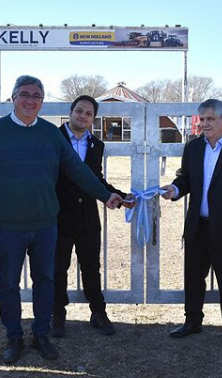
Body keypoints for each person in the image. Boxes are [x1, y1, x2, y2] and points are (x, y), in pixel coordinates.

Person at [0, 75, 124, 365]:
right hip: (7, 227)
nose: (30, 100)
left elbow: (78, 171)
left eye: (37, 96)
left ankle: (41, 335)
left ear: (43, 101)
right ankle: (14, 337)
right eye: (25, 94)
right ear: (13, 97)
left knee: (46, 281)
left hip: (45, 226)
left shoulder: (51, 134)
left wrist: (105, 195)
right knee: (8, 284)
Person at [161, 99, 222, 351]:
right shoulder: (192, 147)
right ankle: (192, 321)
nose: (204, 124)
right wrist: (175, 189)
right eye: (202, 119)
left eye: (210, 119)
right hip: (197, 226)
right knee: (193, 277)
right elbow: (186, 179)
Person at [52, 95, 134, 338]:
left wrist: (119, 196)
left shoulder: (97, 145)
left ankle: (98, 313)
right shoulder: (54, 138)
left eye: (88, 114)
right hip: (58, 214)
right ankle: (57, 315)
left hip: (87, 215)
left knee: (91, 265)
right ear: (70, 112)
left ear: (93, 119)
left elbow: (95, 179)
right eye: (79, 111)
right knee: (58, 266)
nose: (83, 116)